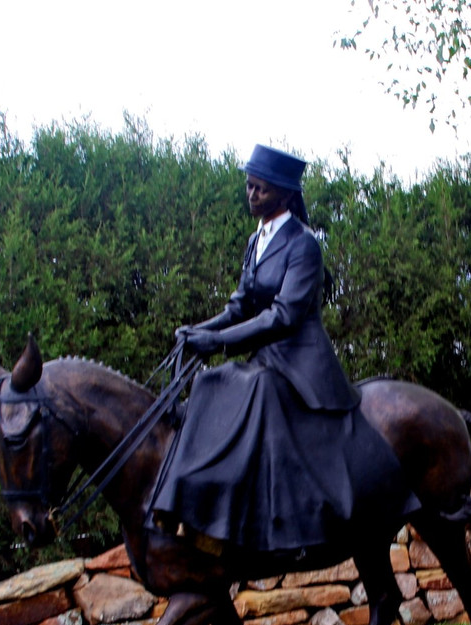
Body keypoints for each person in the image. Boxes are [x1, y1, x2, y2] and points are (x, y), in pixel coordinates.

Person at [147, 144, 420, 556]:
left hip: (299, 359)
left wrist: (217, 341)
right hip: (267, 355)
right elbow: (240, 306)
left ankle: (281, 521)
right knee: (208, 382)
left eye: (261, 188)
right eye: (250, 185)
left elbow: (284, 316)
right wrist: (197, 331)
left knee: (256, 390)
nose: (252, 193)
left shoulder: (303, 244)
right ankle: (187, 503)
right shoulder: (256, 240)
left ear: (286, 195)